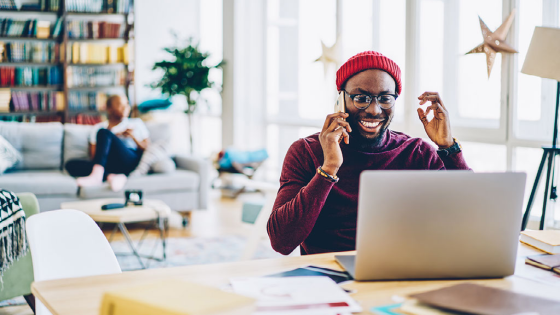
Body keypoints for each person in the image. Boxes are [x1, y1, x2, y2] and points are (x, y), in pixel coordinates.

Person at [267, 51, 471, 256]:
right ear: (341, 100)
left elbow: (471, 218)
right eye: (361, 98)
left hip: (402, 272)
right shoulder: (306, 152)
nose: (374, 110)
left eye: (385, 98)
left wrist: (448, 148)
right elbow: (281, 241)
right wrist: (328, 168)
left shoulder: (417, 154)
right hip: (328, 276)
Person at [65, 95, 150, 192]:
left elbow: (147, 148)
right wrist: (112, 138)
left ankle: (98, 176)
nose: (125, 108)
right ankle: (112, 176)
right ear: (109, 109)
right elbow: (94, 157)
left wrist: (133, 137)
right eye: (120, 105)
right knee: (70, 165)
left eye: (126, 104)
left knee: (104, 132)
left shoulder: (136, 123)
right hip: (107, 163)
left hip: (129, 160)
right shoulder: (98, 128)